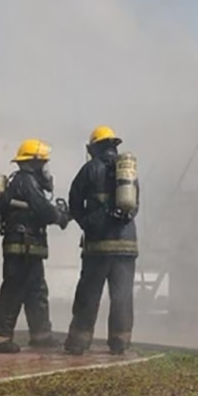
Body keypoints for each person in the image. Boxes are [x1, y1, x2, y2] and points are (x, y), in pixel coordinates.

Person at [64, 126, 139, 356]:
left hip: (98, 247)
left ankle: (78, 343)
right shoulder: (128, 172)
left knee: (89, 294)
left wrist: (88, 223)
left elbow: (74, 202)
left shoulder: (89, 169)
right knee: (122, 296)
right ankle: (120, 343)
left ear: (94, 147)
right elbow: (134, 206)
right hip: (126, 246)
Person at [0, 139, 70, 353]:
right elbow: (42, 208)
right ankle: (1, 338)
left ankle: (41, 336)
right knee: (14, 290)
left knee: (36, 292)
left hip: (29, 248)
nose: (46, 169)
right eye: (43, 163)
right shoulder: (25, 181)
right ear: (33, 163)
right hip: (21, 246)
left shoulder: (25, 181)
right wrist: (60, 216)